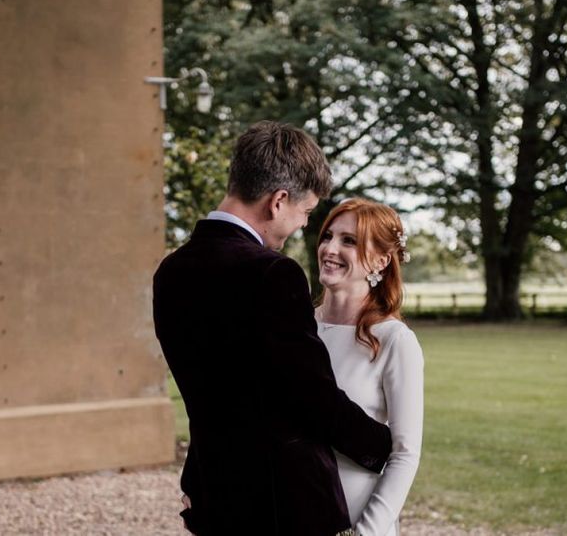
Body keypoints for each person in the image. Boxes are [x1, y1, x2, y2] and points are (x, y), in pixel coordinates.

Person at [153, 121, 392, 536]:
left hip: (212, 491)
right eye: (305, 212)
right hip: (280, 505)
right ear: (278, 201)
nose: (302, 225)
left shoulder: (171, 271)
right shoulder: (271, 273)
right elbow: (310, 394)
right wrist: (382, 446)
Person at [315, 198, 424, 536]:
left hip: (355, 518)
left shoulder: (394, 341)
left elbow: (404, 454)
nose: (330, 248)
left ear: (380, 260)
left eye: (349, 241)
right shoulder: (297, 327)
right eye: (328, 235)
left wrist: (364, 532)